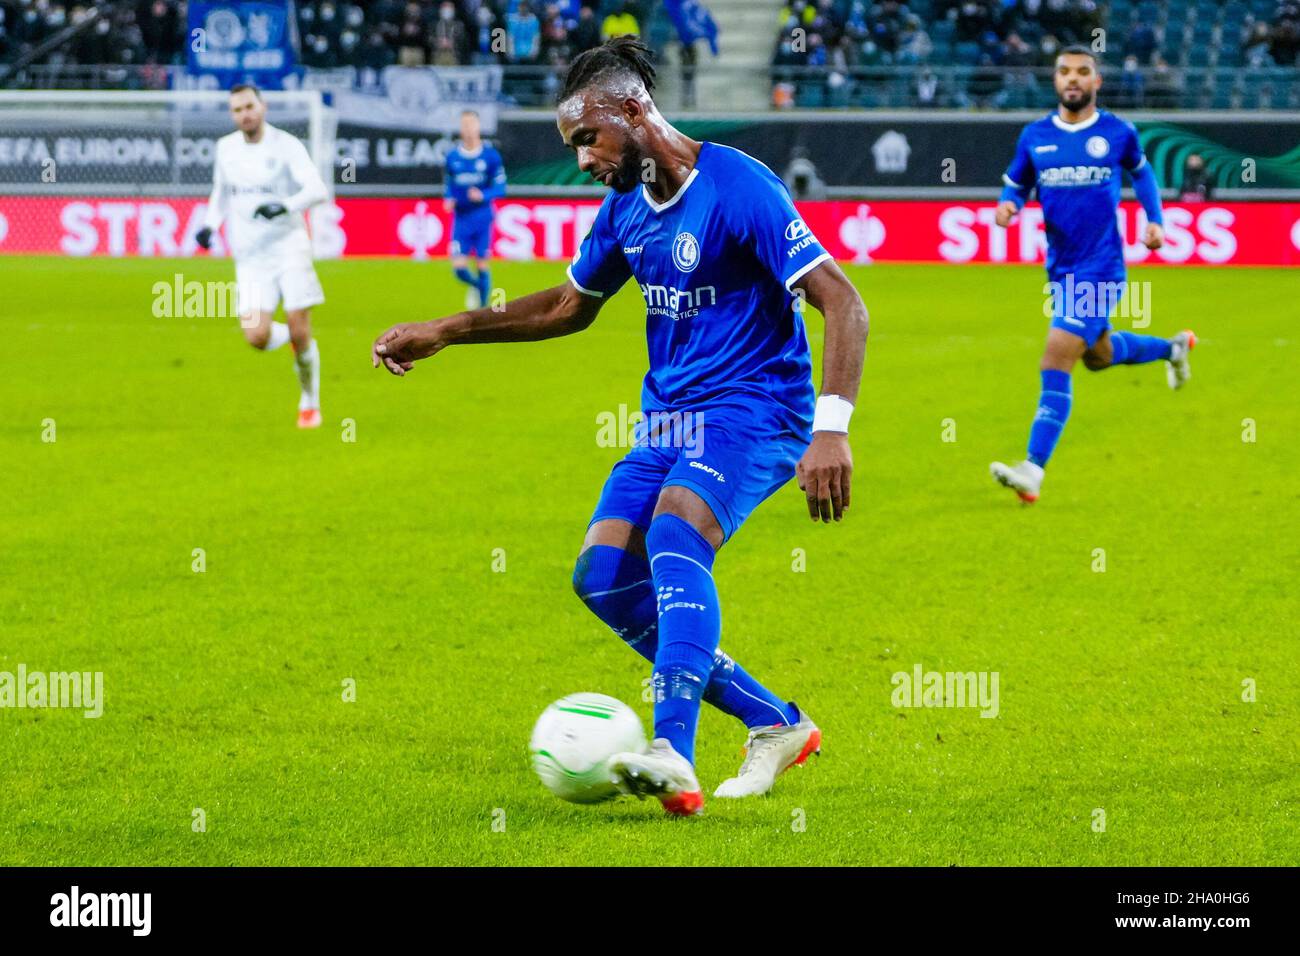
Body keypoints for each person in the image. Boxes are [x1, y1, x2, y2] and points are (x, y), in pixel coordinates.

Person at [371, 38, 869, 815]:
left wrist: (831, 430)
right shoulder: (625, 210)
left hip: (757, 409)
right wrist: (447, 329)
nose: (581, 160)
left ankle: (671, 750)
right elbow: (567, 306)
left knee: (675, 536)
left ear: (634, 110)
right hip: (668, 421)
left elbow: (843, 300)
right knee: (602, 577)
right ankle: (776, 723)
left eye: (586, 139)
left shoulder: (739, 187)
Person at [989, 46, 1195, 503]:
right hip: (1061, 269)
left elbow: (1142, 175)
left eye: (1083, 72)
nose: (1073, 79)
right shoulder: (1035, 135)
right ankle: (1172, 348)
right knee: (1098, 356)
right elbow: (1017, 183)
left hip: (1101, 268)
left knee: (1055, 358)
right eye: (1065, 72)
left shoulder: (1117, 133)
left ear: (1097, 82)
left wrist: (1154, 219)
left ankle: (1032, 470)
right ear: (1055, 80)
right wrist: (1010, 205)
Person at [196, 84, 328, 429]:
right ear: (232, 115)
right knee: (256, 337)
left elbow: (317, 189)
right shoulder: (225, 149)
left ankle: (309, 402)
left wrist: (284, 206)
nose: (245, 114)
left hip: (289, 247)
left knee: (301, 328)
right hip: (250, 255)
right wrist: (209, 225)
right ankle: (298, 342)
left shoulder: (286, 145)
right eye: (238, 110)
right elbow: (221, 193)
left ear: (263, 106)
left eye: (250, 106)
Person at [443, 110, 507, 308]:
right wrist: (448, 199)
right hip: (461, 219)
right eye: (465, 125)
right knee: (459, 268)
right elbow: (449, 185)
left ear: (478, 126)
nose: (468, 129)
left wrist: (483, 195)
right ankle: (478, 286)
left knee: (481, 263)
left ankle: (482, 307)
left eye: (472, 124)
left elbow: (501, 187)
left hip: (482, 217)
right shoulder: (453, 157)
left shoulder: (490, 156)